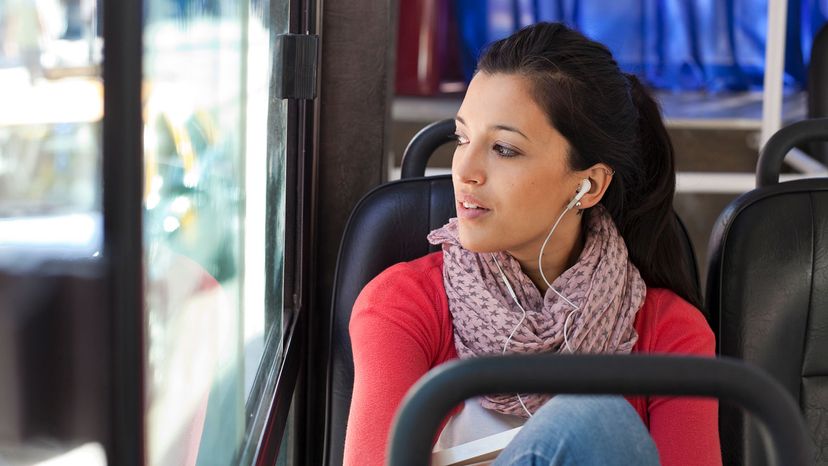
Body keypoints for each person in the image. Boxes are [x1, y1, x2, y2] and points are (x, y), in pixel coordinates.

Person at [344, 22, 721, 466]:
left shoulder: (672, 333)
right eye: (463, 138)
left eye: (504, 149)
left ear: (589, 186)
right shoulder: (401, 305)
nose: (464, 169)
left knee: (591, 416)